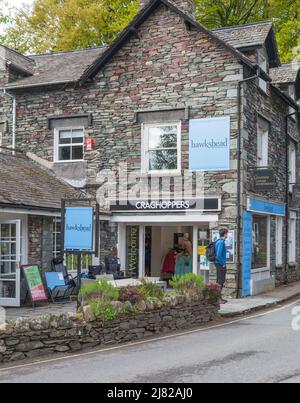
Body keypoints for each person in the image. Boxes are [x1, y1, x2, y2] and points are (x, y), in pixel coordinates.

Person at [215, 228, 229, 304]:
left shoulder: (218, 241)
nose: (227, 235)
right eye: (227, 233)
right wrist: (223, 263)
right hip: (220, 264)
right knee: (221, 281)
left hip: (218, 263)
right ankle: (218, 298)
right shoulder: (221, 242)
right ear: (225, 234)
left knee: (219, 281)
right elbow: (219, 255)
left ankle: (217, 297)